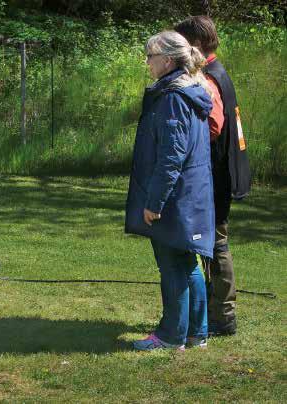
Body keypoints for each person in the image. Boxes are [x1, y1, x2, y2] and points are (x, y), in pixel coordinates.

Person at [125, 31, 214, 350]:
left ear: (167, 59)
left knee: (172, 265)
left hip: (176, 197)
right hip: (191, 194)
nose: (147, 63)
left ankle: (171, 335)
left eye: (150, 57)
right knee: (187, 263)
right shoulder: (191, 89)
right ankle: (195, 334)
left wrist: (155, 202)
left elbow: (171, 157)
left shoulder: (174, 97)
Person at [174, 15, 251, 336]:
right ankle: (212, 314)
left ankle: (223, 317)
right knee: (214, 244)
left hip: (216, 176)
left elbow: (213, 128)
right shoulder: (217, 72)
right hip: (221, 173)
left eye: (181, 44)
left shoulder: (209, 77)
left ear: (196, 44)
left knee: (216, 245)